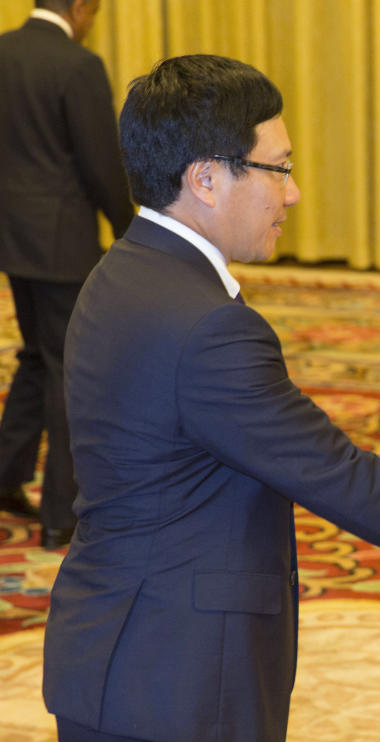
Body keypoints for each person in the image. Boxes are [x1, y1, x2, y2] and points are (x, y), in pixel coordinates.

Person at [42, 54, 380, 742]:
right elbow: (327, 467)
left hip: (114, 651)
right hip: (181, 680)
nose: (294, 193)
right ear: (206, 180)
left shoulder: (120, 274)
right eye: (278, 168)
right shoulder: (207, 326)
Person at [0, 0, 133, 548]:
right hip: (62, 245)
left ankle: (5, 477)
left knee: (37, 354)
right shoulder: (79, 65)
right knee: (67, 368)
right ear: (81, 7)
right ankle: (62, 515)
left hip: (11, 236)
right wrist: (131, 228)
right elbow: (100, 162)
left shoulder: (3, 51)